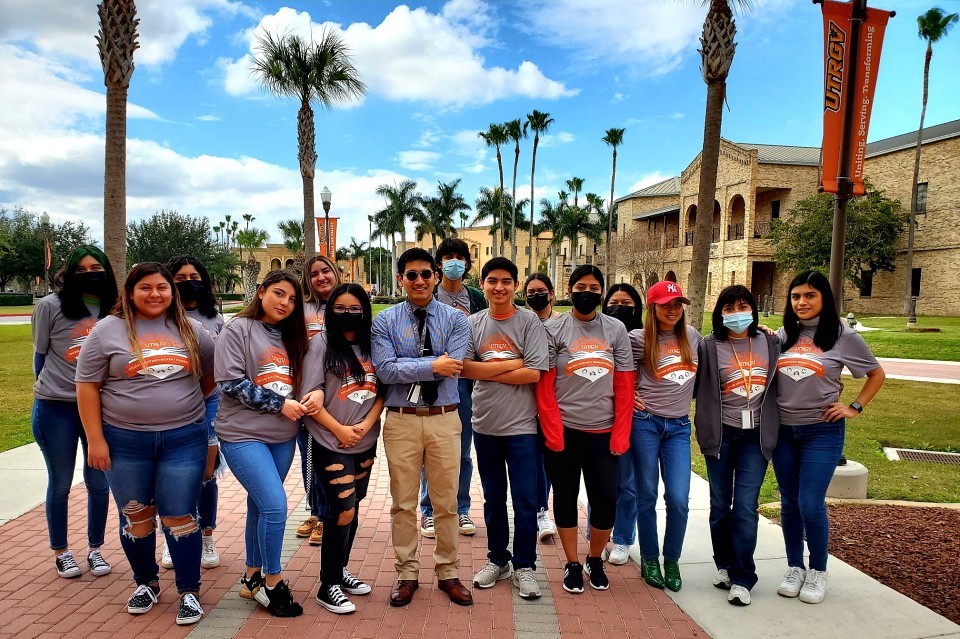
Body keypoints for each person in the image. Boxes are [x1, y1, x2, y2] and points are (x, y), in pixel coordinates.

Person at [76, 262, 215, 626]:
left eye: (162, 288)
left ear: (172, 292)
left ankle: (189, 591)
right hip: (124, 441)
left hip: (183, 438)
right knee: (136, 514)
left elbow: (212, 375)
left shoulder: (191, 329)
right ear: (130, 292)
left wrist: (184, 408)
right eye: (145, 288)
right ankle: (146, 583)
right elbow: (87, 386)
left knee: (179, 515)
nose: (155, 294)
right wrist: (95, 440)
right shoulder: (107, 330)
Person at [773, 271, 885, 604]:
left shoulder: (843, 336)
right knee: (789, 502)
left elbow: (876, 374)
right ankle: (795, 567)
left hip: (822, 431)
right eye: (796, 297)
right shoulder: (781, 336)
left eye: (810, 296)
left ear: (825, 299)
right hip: (783, 431)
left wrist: (854, 407)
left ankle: (818, 570)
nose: (802, 302)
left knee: (810, 502)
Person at [372, 248, 473, 607]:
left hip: (445, 417)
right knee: (403, 503)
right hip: (402, 420)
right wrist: (434, 365)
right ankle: (406, 574)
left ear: (435, 276)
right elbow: (385, 371)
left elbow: (456, 364)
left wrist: (412, 364)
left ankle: (448, 572)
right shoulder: (383, 321)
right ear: (400, 279)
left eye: (425, 274)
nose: (419, 280)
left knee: (446, 503)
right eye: (411, 274)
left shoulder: (457, 319)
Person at [215, 269, 309, 618]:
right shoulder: (237, 329)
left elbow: (299, 380)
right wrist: (280, 404)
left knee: (260, 504)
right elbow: (229, 382)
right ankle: (273, 583)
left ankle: (251, 575)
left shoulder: (293, 336)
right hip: (242, 434)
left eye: (293, 299)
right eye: (279, 294)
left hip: (282, 437)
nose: (285, 303)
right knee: (275, 505)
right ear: (261, 292)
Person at [535, 265, 635, 594]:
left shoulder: (616, 329)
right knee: (564, 498)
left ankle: (594, 558)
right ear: (569, 288)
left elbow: (624, 384)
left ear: (601, 292)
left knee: (606, 499)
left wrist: (621, 433)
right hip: (563, 431)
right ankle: (571, 563)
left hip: (604, 434)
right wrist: (552, 431)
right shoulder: (554, 328)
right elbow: (545, 385)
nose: (587, 292)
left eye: (594, 287)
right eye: (581, 286)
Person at [463, 257, 548, 600]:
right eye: (492, 280)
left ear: (515, 285)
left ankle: (525, 565)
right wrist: (515, 362)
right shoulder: (473, 323)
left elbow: (535, 373)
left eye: (506, 281)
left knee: (526, 500)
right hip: (485, 425)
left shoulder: (529, 323)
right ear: (482, 284)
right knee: (494, 499)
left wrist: (488, 367)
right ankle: (498, 559)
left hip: (523, 427)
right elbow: (465, 369)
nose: (499, 287)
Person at [32, 245, 118, 579]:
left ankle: (95, 549)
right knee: (61, 483)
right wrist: (47, 388)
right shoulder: (50, 306)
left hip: (99, 409)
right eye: (80, 269)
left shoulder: (114, 309)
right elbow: (40, 356)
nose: (89, 274)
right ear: (68, 272)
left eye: (95, 267)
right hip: (56, 408)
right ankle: (62, 551)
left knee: (99, 482)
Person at [693, 285, 781, 606]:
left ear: (753, 310)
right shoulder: (708, 346)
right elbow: (688, 385)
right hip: (721, 436)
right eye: (728, 308)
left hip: (755, 438)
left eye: (743, 306)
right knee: (719, 507)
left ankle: (743, 576)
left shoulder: (770, 342)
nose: (736, 314)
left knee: (745, 506)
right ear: (720, 313)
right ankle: (724, 564)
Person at [301, 283, 384, 614]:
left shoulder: (372, 345)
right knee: (342, 510)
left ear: (364, 311)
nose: (348, 314)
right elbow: (311, 396)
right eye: (340, 309)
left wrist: (364, 428)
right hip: (330, 441)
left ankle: (340, 570)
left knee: (354, 506)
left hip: (364, 440)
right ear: (329, 310)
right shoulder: (319, 345)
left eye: (355, 308)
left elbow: (383, 392)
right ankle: (327, 584)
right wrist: (340, 430)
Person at [630, 280, 701, 592]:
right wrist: (629, 394)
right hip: (645, 424)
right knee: (645, 494)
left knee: (677, 498)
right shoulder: (638, 339)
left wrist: (763, 332)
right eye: (666, 304)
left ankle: (671, 558)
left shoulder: (693, 338)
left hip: (679, 428)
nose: (672, 310)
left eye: (677, 304)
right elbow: (620, 374)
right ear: (652, 307)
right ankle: (649, 558)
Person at [160, 256, 225, 572]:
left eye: (193, 275)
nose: (187, 281)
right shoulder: (160, 316)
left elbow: (220, 367)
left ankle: (207, 536)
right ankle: (172, 536)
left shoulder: (215, 319)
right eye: (180, 277)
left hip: (208, 402)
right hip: (168, 405)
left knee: (205, 475)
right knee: (170, 474)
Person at [419, 238, 485, 539]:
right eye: (448, 257)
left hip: (466, 383)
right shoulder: (429, 295)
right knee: (429, 450)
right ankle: (429, 511)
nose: (454, 262)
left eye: (460, 257)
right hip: (432, 381)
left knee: (462, 452)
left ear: (468, 264)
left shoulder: (476, 298)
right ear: (439, 263)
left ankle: (461, 509)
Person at [597, 283, 644, 566]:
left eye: (627, 304)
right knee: (600, 483)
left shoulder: (643, 338)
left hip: (630, 418)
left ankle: (623, 538)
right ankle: (598, 534)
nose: (620, 308)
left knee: (627, 483)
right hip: (599, 416)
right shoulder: (598, 336)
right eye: (614, 302)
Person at [296, 256, 339, 546]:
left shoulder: (347, 303)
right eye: (314, 274)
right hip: (304, 392)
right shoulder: (300, 310)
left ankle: (327, 515)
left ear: (336, 273)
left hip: (337, 394)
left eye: (326, 271)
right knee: (308, 457)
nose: (321, 277)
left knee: (327, 457)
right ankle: (316, 511)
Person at [523, 272, 559, 542]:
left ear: (552, 293)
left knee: (548, 459)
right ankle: (537, 509)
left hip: (556, 401)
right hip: (523, 400)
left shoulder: (562, 324)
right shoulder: (521, 323)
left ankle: (541, 509)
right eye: (530, 291)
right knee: (531, 459)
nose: (536, 295)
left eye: (541, 290)